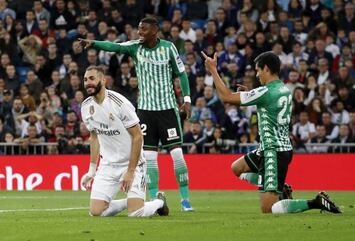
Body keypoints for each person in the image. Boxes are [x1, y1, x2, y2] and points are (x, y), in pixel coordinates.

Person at [201, 50, 341, 214]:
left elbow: (226, 97)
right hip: (274, 147)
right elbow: (268, 102)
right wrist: (250, 93)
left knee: (269, 208)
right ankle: (277, 187)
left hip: (273, 152)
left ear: (266, 68)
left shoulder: (265, 92)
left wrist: (213, 70)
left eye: (258, 70)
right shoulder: (284, 89)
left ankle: (315, 202)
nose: (257, 74)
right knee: (237, 168)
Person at [78, 17, 194, 211]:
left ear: (155, 30)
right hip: (145, 110)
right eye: (139, 29)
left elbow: (181, 74)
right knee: (149, 157)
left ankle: (185, 199)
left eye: (144, 30)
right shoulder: (135, 47)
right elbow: (114, 46)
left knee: (177, 155)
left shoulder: (168, 48)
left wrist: (187, 99)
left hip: (168, 109)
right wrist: (94, 43)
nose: (139, 33)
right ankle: (155, 198)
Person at [80, 66, 169, 217]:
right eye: (85, 80)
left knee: (136, 213)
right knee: (96, 212)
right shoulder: (86, 106)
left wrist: (130, 171)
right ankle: (129, 202)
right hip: (108, 165)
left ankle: (159, 201)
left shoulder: (119, 103)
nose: (88, 83)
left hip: (132, 163)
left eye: (92, 79)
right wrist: (92, 170)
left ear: (103, 80)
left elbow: (138, 136)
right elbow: (94, 137)